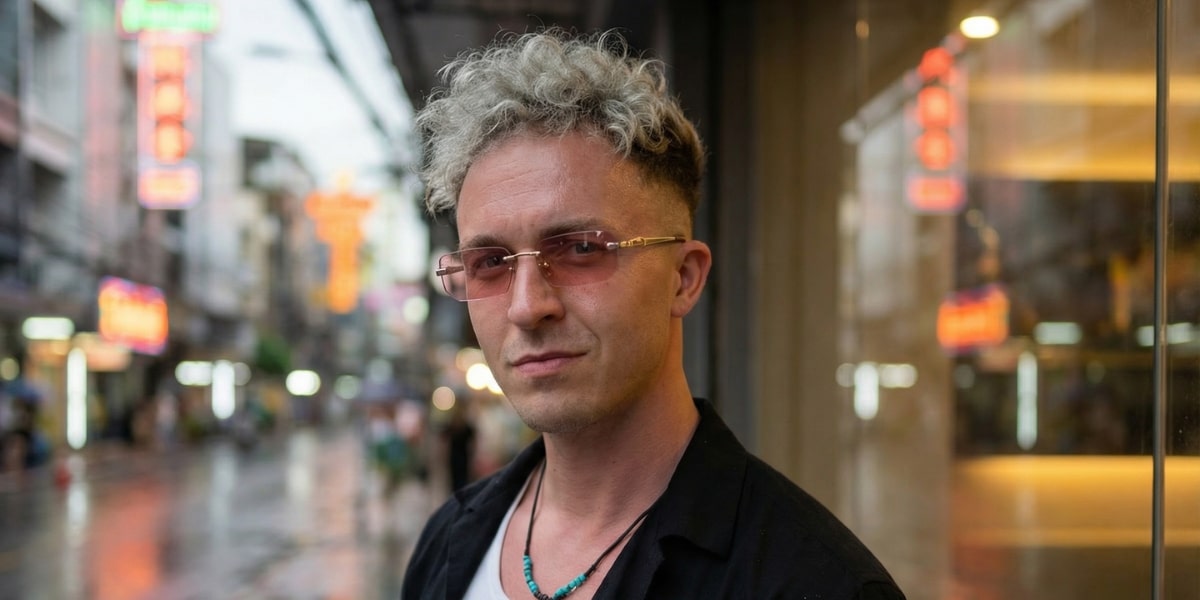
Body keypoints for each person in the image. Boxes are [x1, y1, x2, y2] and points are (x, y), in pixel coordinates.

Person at [401, 29, 905, 600]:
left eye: (581, 249)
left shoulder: (814, 584)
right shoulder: (450, 542)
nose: (526, 306)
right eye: (490, 262)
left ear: (683, 278)